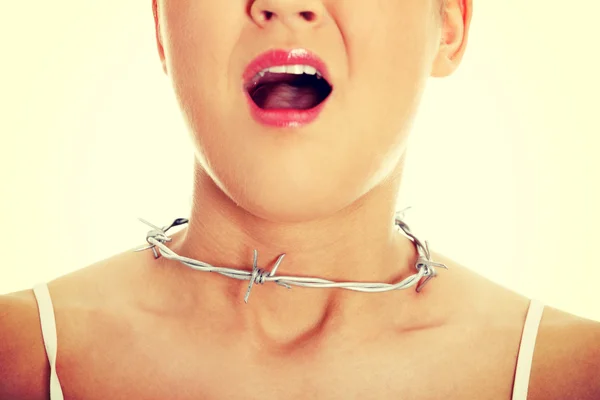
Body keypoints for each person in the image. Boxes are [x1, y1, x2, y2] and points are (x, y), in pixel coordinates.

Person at [1, 0, 599, 399]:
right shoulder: (15, 357)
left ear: (449, 23)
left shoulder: (578, 376)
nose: (285, 3)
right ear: (161, 21)